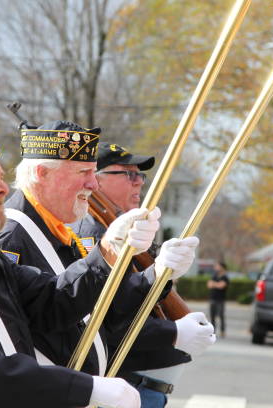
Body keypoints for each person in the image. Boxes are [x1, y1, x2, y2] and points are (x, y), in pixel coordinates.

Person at [0, 119, 187, 408]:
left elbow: (53, 302)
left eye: (0, 177)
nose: (3, 188)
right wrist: (84, 387)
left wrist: (108, 250)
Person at [0, 121, 210, 389]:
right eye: (83, 171)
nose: (93, 184)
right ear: (42, 173)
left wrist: (158, 272)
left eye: (94, 173)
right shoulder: (12, 236)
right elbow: (38, 319)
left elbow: (97, 309)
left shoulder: (53, 229)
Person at [70, 142, 216, 408]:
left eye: (140, 175)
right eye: (128, 174)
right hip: (126, 386)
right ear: (96, 180)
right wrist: (173, 331)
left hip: (142, 389)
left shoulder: (127, 230)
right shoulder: (93, 234)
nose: (138, 182)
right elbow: (106, 320)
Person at [207, 261, 230, 338]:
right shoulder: (214, 276)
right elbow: (209, 285)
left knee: (221, 316)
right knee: (212, 316)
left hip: (220, 300)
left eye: (217, 266)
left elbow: (222, 286)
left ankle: (223, 331)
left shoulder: (225, 277)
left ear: (222, 267)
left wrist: (214, 284)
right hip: (212, 298)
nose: (216, 267)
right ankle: (213, 331)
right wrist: (216, 284)